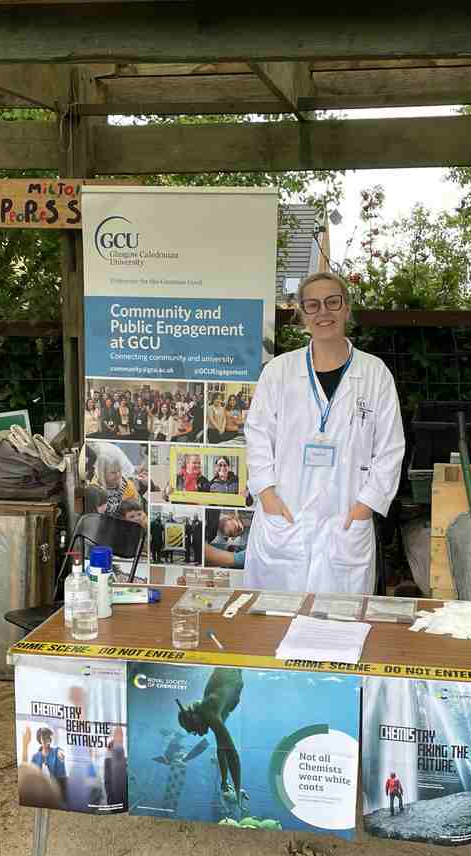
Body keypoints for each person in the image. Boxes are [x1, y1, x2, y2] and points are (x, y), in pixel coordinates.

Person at [244, 271, 405, 594]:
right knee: (272, 623)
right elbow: (257, 435)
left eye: (333, 302)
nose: (324, 312)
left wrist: (365, 506)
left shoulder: (374, 374)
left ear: (346, 308)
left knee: (338, 628)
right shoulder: (280, 372)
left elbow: (390, 449)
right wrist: (267, 495)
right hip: (286, 515)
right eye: (313, 305)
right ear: (302, 314)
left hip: (344, 520)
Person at [176, 668, 247, 807]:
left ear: (195, 719)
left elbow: (232, 753)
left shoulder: (209, 709)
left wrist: (237, 792)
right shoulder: (213, 712)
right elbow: (221, 749)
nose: (199, 734)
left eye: (194, 730)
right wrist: (224, 780)